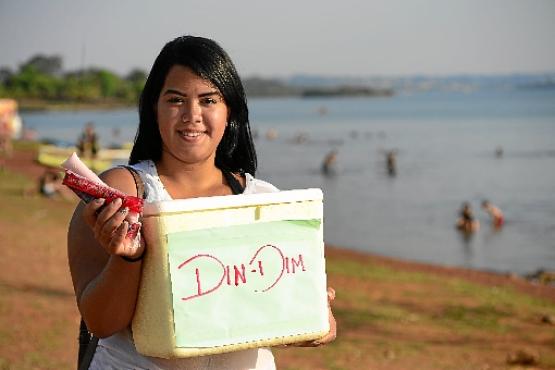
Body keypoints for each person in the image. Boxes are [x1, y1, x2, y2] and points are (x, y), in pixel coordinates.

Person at [67, 36, 336, 370]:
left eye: (208, 100)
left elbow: (303, 323)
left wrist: (315, 318)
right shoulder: (123, 194)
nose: (192, 115)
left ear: (230, 111)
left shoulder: (263, 201)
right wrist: (129, 258)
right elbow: (101, 322)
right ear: (155, 108)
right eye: (176, 100)